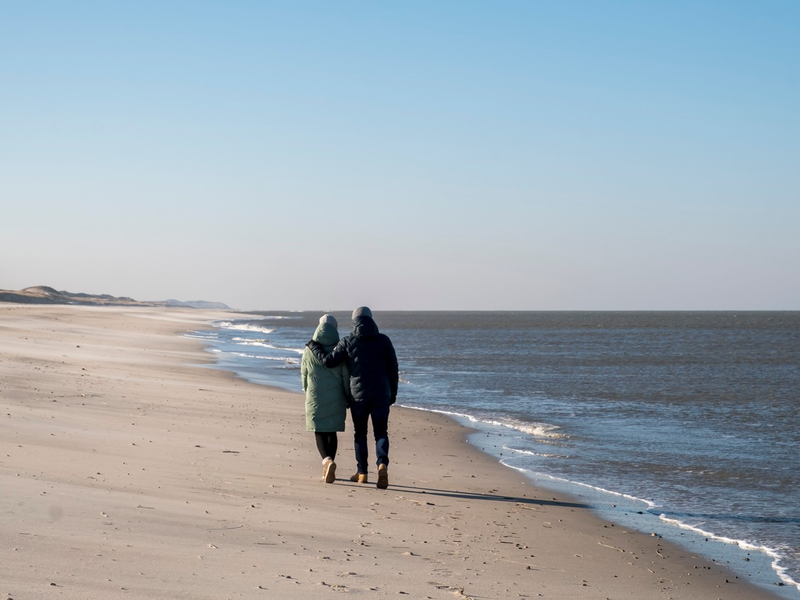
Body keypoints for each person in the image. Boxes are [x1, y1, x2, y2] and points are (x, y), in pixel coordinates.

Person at [306, 306, 398, 490]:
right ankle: (382, 465)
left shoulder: (348, 342)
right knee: (381, 433)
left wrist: (313, 346)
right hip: (381, 395)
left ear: (354, 321)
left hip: (358, 397)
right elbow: (393, 370)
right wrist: (393, 394)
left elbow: (328, 361)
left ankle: (362, 473)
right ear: (371, 320)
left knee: (360, 434)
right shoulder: (384, 341)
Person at [301, 314, 350, 484]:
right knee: (332, 431)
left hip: (315, 395)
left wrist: (307, 391)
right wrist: (347, 395)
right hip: (336, 396)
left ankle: (327, 461)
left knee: (319, 431)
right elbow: (345, 375)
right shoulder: (339, 350)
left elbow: (304, 373)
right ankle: (329, 464)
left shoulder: (309, 350)